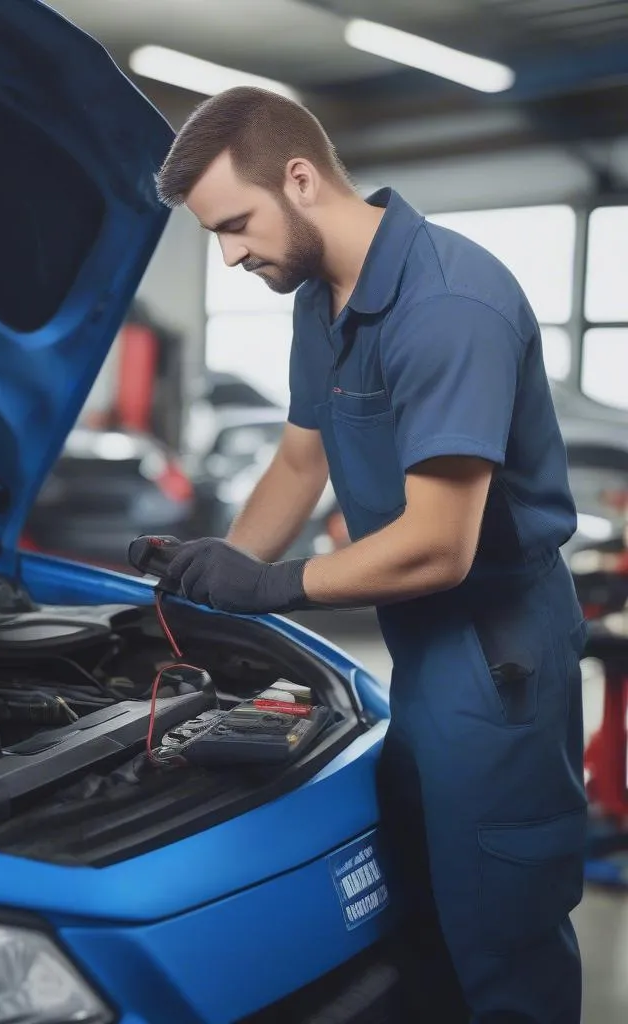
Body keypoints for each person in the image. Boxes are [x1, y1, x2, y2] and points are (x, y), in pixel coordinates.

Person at [154, 87, 587, 1024]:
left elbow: (439, 546)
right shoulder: (323, 298)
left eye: (235, 225)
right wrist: (209, 581)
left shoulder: (448, 304)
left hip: (497, 649)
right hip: (421, 648)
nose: (228, 256)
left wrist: (267, 587)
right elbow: (300, 458)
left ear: (300, 179)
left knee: (500, 924)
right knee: (421, 909)